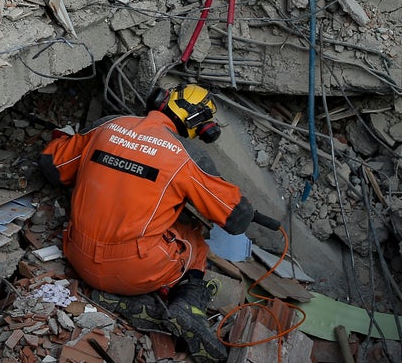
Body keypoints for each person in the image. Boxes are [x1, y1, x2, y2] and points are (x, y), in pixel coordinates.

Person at [39, 84, 254, 361]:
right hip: (134, 271)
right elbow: (237, 219)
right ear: (201, 127)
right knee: (195, 241)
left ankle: (121, 296)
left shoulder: (107, 125)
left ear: (161, 100)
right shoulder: (187, 155)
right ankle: (189, 304)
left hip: (77, 256)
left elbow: (52, 165)